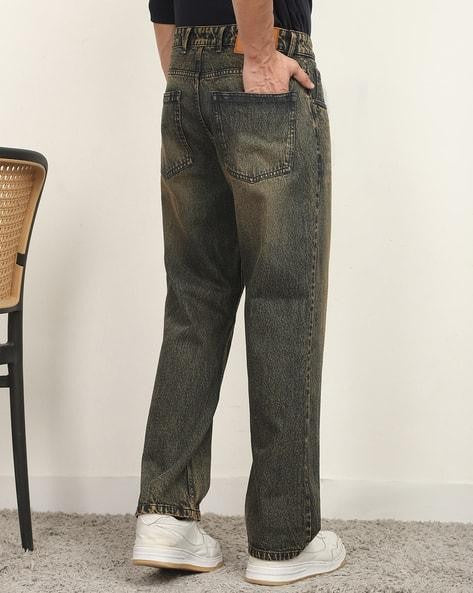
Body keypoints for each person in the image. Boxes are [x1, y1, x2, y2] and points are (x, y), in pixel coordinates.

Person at [132, 0, 346, 585]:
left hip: (185, 74)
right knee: (284, 299)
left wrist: (187, 71)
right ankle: (284, 539)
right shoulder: (260, 58)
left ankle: (166, 515)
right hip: (257, 63)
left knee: (194, 299)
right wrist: (259, 54)